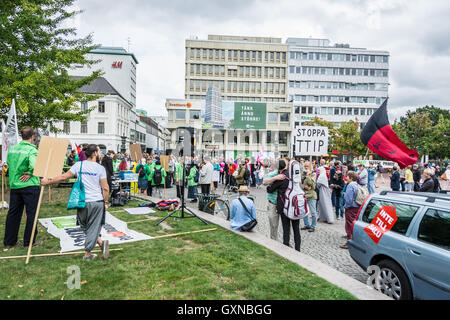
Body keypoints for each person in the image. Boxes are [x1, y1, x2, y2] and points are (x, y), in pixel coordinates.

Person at [41, 144, 110, 261]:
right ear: (94, 154)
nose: (99, 154)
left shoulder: (79, 165)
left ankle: (99, 243)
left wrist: (48, 181)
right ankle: (88, 254)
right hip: (96, 202)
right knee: (92, 227)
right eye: (98, 151)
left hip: (82, 201)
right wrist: (106, 201)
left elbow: (64, 177)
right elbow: (106, 188)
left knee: (85, 225)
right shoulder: (100, 168)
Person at [3, 127, 43, 249]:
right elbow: (34, 166)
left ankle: (9, 241)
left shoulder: (12, 149)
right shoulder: (32, 150)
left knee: (13, 213)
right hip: (30, 185)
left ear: (22, 136)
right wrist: (30, 173)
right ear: (32, 137)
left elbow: (9, 164)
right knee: (31, 214)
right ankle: (29, 242)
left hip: (15, 185)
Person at [267, 159, 302, 252]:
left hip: (285, 207)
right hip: (295, 206)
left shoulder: (281, 177)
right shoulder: (294, 176)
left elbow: (270, 189)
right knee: (296, 229)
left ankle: (286, 248)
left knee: (286, 229)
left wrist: (270, 184)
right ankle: (298, 249)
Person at [263, 161, 284, 240]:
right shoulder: (273, 174)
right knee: (273, 224)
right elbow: (264, 182)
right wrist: (275, 178)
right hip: (273, 202)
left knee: (286, 225)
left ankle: (286, 242)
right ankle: (273, 241)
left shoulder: (286, 173)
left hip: (283, 202)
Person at [340, 171, 360, 249]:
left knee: (349, 225)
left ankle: (349, 242)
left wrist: (346, 206)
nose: (346, 178)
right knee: (353, 224)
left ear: (351, 178)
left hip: (351, 208)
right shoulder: (356, 184)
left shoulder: (350, 185)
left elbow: (348, 199)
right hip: (356, 207)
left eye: (347, 177)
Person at [301, 161, 318, 232]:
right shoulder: (302, 174)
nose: (306, 167)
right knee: (304, 211)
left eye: (307, 166)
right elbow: (300, 184)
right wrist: (304, 187)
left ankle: (313, 226)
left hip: (311, 196)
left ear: (310, 167)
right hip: (304, 195)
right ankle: (307, 224)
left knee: (313, 212)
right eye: (305, 166)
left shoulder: (313, 174)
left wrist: (308, 176)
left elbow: (313, 185)